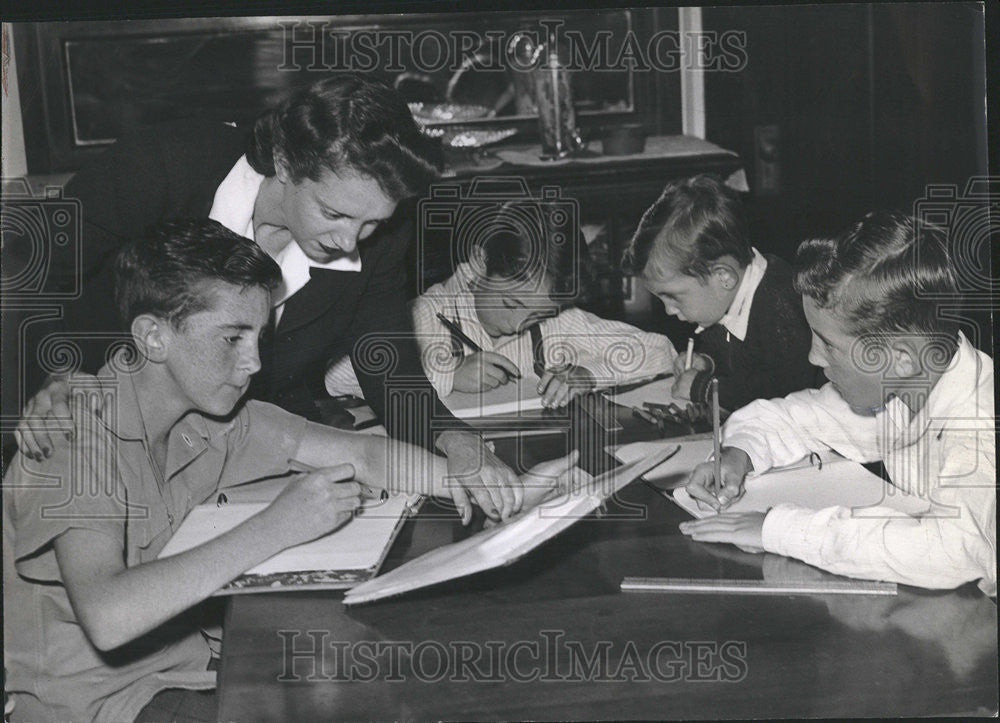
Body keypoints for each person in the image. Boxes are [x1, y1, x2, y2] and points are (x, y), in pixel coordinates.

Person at [2, 220, 584, 722]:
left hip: (194, 670)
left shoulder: (214, 416)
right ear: (153, 335)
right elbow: (107, 615)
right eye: (232, 338)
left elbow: (365, 454)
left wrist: (496, 483)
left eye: (259, 336)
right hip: (100, 705)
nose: (253, 362)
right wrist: (275, 527)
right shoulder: (75, 431)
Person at [11, 74, 520, 521]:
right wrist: (62, 372)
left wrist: (454, 440)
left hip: (244, 443)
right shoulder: (165, 164)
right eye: (334, 213)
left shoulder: (379, 239)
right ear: (284, 161)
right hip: (104, 420)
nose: (349, 242)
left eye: (371, 223)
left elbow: (388, 366)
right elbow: (33, 270)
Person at [678, 211, 996, 594]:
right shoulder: (903, 387)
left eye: (828, 343)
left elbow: (950, 551)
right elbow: (793, 417)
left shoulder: (980, 428)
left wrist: (779, 529)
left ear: (901, 359)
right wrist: (738, 452)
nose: (813, 357)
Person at [326, 200, 678, 407]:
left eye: (539, 313)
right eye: (511, 303)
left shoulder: (556, 324)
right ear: (480, 265)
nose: (517, 325)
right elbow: (338, 375)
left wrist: (589, 375)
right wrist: (446, 375)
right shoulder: (425, 316)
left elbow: (660, 349)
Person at [622, 174, 821, 410]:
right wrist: (707, 363)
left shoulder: (780, 305)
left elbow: (785, 391)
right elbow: (737, 358)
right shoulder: (722, 299)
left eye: (673, 296)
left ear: (723, 277)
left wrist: (704, 388)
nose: (668, 310)